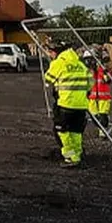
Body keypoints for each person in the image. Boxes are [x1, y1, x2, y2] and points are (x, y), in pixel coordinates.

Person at [44, 39, 91, 167]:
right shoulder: (80, 64)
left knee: (62, 131)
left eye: (50, 52)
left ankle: (70, 157)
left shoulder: (59, 63)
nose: (50, 54)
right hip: (81, 105)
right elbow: (90, 84)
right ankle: (78, 153)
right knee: (76, 132)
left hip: (66, 103)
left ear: (56, 52)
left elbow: (48, 80)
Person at [83, 49, 112, 132]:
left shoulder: (102, 70)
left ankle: (103, 132)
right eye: (87, 60)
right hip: (91, 98)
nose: (88, 62)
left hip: (104, 98)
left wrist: (104, 73)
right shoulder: (86, 72)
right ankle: (101, 130)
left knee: (103, 117)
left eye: (90, 60)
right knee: (94, 117)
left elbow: (108, 80)